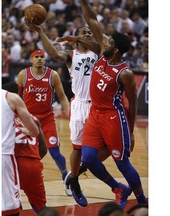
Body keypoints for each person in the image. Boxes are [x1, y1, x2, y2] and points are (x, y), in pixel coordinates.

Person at [24, 20, 110, 207]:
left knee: (109, 147)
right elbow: (54, 53)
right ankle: (76, 184)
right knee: (77, 149)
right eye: (83, 32)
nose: (88, 34)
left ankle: (75, 173)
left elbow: (104, 42)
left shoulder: (98, 52)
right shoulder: (71, 55)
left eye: (89, 32)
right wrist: (40, 31)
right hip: (80, 104)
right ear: (76, 38)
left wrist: (88, 33)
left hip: (98, 106)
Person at [77, 0, 148, 209]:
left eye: (108, 44)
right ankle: (118, 188)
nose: (103, 44)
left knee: (122, 163)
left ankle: (142, 202)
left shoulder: (124, 73)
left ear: (116, 50)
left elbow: (133, 103)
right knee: (88, 158)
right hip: (95, 114)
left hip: (113, 117)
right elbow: (91, 19)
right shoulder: (104, 53)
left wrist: (132, 131)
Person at [16, 49, 70, 194]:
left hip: (47, 119)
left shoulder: (53, 75)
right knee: (28, 152)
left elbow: (63, 96)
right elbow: (19, 98)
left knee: (55, 153)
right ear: (31, 60)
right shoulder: (23, 75)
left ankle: (66, 176)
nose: (39, 59)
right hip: (29, 119)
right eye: (36, 57)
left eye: (42, 57)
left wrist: (69, 113)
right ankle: (32, 173)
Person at [2, 82, 48, 214]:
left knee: (10, 203)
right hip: (33, 164)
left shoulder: (4, 119)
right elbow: (44, 149)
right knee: (41, 208)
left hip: (14, 164)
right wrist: (34, 162)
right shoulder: (33, 119)